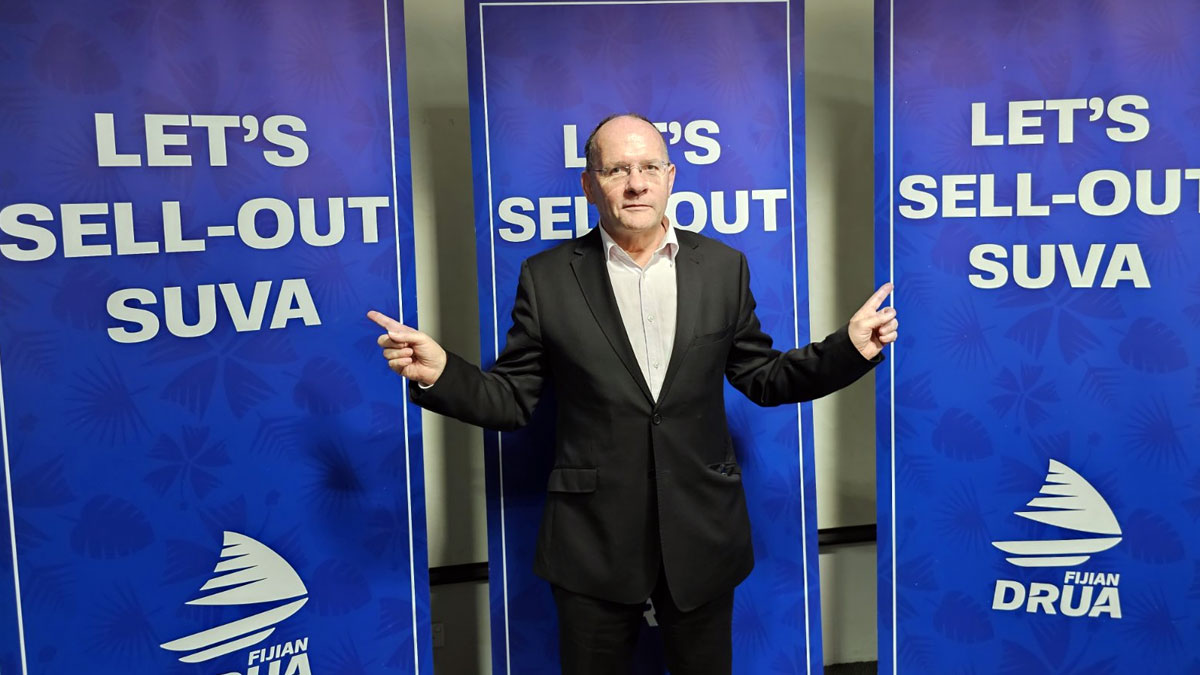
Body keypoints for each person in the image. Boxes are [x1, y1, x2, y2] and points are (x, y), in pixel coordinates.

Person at [368, 113, 897, 674]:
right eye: (617, 169)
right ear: (589, 184)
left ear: (670, 176)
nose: (636, 183)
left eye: (648, 167)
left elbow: (764, 377)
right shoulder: (546, 278)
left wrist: (848, 349)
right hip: (591, 544)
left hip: (701, 535)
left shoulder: (723, 268)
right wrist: (442, 373)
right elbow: (512, 398)